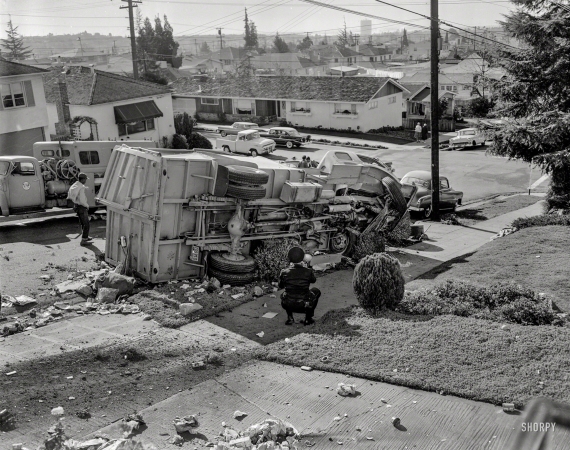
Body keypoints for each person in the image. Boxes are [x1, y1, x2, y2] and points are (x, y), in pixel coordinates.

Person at [279, 246, 321, 325]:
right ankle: (308, 318)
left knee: (285, 294)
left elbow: (280, 286)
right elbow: (313, 280)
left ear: (290, 259)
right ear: (303, 258)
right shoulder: (308, 271)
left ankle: (290, 318)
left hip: (287, 303)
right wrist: (307, 268)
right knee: (316, 291)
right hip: (304, 304)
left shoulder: (284, 272)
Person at [67, 172, 92, 246]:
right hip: (81, 207)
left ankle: (85, 237)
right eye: (85, 179)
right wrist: (87, 205)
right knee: (86, 224)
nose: (86, 181)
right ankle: (84, 240)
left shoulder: (75, 185)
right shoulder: (81, 187)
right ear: (83, 179)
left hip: (76, 206)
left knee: (82, 223)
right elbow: (82, 200)